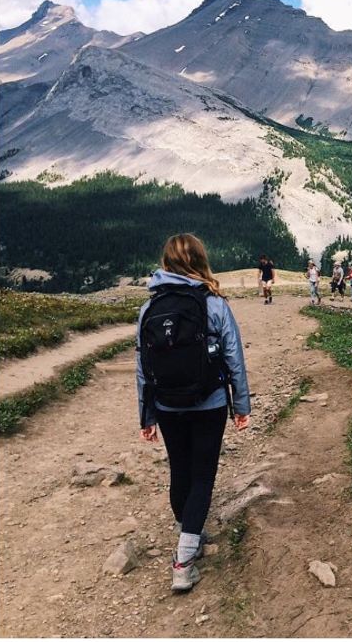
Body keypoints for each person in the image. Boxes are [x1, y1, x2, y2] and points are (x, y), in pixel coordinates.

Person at [137, 234, 252, 593]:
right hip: (209, 402)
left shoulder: (149, 309)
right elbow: (234, 359)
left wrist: (146, 416)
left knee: (180, 470)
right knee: (203, 476)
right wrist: (241, 406)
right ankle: (184, 561)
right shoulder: (214, 303)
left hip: (166, 405)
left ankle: (189, 530)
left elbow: (143, 368)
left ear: (166, 263)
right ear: (201, 261)